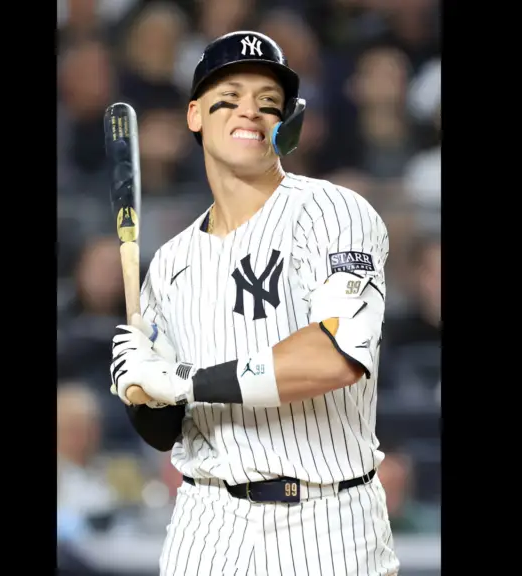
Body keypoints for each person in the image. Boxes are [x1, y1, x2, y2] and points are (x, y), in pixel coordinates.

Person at [109, 31, 399, 575]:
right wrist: (140, 389)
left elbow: (334, 358)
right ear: (195, 114)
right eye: (232, 94)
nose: (251, 110)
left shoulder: (333, 212)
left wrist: (184, 380)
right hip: (206, 519)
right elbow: (165, 431)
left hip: (327, 518)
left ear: (288, 125)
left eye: (270, 102)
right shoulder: (170, 262)